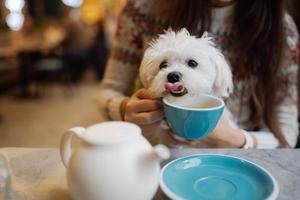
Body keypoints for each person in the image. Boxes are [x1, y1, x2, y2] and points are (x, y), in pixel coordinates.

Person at [97, 0, 299, 148]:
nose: (173, 73)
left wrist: (237, 139)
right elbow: (108, 91)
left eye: (192, 63)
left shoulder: (281, 29)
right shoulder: (142, 9)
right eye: (163, 65)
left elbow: (286, 131)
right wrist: (126, 109)